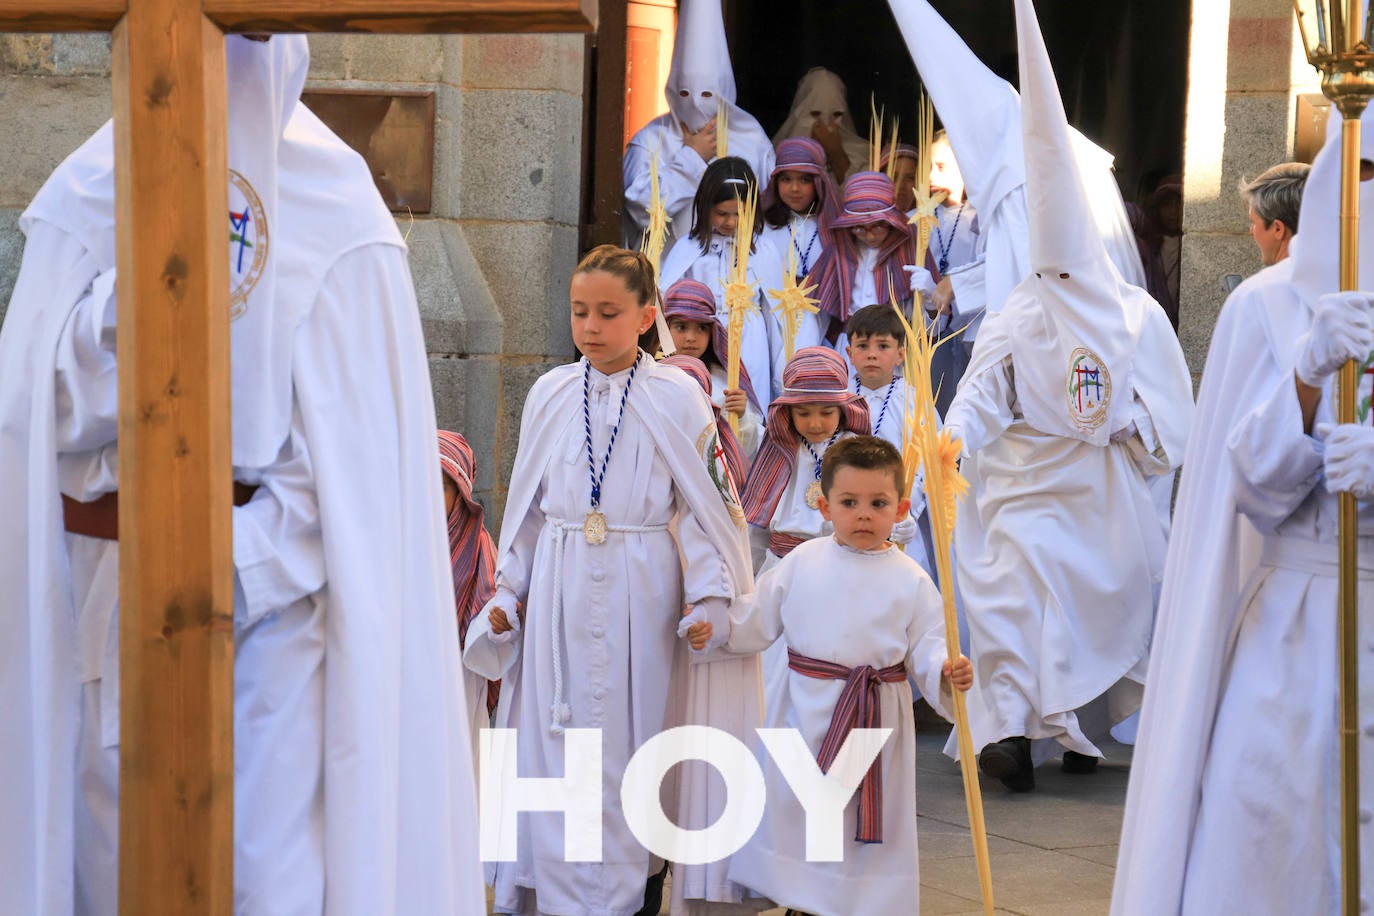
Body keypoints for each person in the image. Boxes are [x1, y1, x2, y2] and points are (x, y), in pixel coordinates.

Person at [0, 35, 484, 914]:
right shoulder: (87, 193)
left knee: (264, 873)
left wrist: (229, 560)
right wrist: (121, 315)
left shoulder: (338, 208)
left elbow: (357, 473)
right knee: (108, 865)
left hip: (275, 634)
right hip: (108, 607)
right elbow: (35, 420)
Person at [1111, 105, 1374, 915]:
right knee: (1270, 824)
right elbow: (1250, 488)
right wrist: (1306, 376)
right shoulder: (1265, 304)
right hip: (1298, 616)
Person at [943, 0, 1193, 793]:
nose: (1054, 286)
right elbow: (985, 386)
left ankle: (1071, 726)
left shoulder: (1135, 312)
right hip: (1021, 477)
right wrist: (956, 436)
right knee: (1012, 593)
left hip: (1097, 482)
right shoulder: (1020, 307)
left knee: (1092, 599)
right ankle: (1010, 733)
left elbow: (1167, 409)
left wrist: (1128, 427)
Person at [462, 245, 755, 916]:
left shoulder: (679, 397)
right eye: (579, 312)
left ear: (646, 315)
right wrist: (509, 591)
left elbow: (704, 513)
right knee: (557, 748)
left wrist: (710, 597)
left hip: (640, 595)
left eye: (608, 313)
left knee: (635, 745)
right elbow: (531, 511)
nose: (591, 327)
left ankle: (634, 892)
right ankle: (556, 893)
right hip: (562, 590)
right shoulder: (552, 392)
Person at [682, 436, 974, 916]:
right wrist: (715, 628)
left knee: (856, 816)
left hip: (874, 716)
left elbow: (928, 642)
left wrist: (945, 669)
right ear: (824, 505)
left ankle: (854, 901)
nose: (863, 515)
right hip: (803, 707)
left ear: (901, 509)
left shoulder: (912, 579)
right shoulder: (802, 561)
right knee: (798, 808)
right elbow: (756, 617)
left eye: (878, 504)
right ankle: (803, 899)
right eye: (849, 502)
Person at [623, 0, 775, 259]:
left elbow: (768, 214)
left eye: (706, 94)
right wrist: (691, 158)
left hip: (736, 280)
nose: (694, 103)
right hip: (669, 279)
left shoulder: (752, 139)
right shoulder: (650, 140)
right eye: (684, 92)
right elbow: (641, 212)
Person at [660, 157, 788, 399]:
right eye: (721, 213)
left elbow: (777, 317)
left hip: (750, 340)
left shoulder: (763, 249)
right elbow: (668, 301)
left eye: (739, 214)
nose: (730, 222)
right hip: (701, 340)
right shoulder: (688, 248)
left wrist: (782, 372)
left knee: (748, 408)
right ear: (706, 206)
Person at [843, 304, 934, 576]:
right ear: (849, 353)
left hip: (900, 516)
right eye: (862, 346)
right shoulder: (839, 399)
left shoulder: (915, 402)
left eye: (883, 346)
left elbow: (931, 460)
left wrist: (909, 509)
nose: (872, 354)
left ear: (900, 354)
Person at [439, 430, 499, 774]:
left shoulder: (477, 545)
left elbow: (491, 606)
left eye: (442, 485)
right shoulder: (395, 540)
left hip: (459, 677)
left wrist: (499, 622)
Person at [809, 171, 926, 348]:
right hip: (850, 343)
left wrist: (930, 295)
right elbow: (814, 312)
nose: (869, 235)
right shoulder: (839, 251)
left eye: (878, 227)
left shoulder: (909, 248)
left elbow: (929, 320)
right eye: (860, 228)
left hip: (893, 344)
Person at [662, 278, 766, 463]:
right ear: (665, 327)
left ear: (712, 333)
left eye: (701, 328)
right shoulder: (651, 375)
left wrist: (741, 417)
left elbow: (746, 454)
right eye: (681, 327)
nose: (691, 338)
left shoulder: (725, 382)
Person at [925, 130, 981, 416]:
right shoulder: (925, 217)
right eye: (930, 167)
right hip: (931, 335)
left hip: (969, 332)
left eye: (942, 167)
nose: (933, 175)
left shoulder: (979, 219)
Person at [772, 67, 871, 186]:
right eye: (815, 114)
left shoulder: (864, 156)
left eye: (836, 115)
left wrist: (837, 155)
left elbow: (862, 198)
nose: (826, 127)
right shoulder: (775, 157)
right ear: (800, 112)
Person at [1242, 161, 1310, 267]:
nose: (1251, 231)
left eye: (1254, 222)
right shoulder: (1341, 277)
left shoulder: (1266, 283)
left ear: (1278, 229)